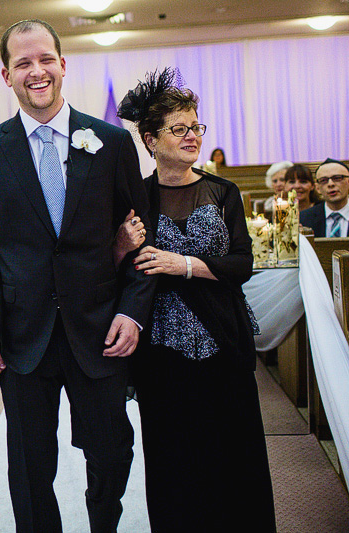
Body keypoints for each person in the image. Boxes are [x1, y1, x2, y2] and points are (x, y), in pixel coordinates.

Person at [0, 20, 155, 532]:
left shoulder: (111, 142)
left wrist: (132, 311)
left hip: (101, 328)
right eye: (23, 63)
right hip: (24, 335)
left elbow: (139, 240)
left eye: (45, 59)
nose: (36, 71)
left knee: (111, 455)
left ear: (63, 65)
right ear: (6, 76)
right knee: (28, 467)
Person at [117, 67, 275, 531]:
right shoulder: (136, 197)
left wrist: (180, 264)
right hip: (161, 347)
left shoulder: (222, 191)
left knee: (235, 447)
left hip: (223, 337)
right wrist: (123, 246)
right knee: (172, 454)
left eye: (196, 127)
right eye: (179, 129)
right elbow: (118, 269)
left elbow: (241, 264)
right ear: (150, 139)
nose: (192, 137)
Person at [300, 158, 349, 237]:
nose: (330, 184)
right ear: (318, 188)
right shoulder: (303, 219)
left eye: (337, 178)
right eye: (324, 180)